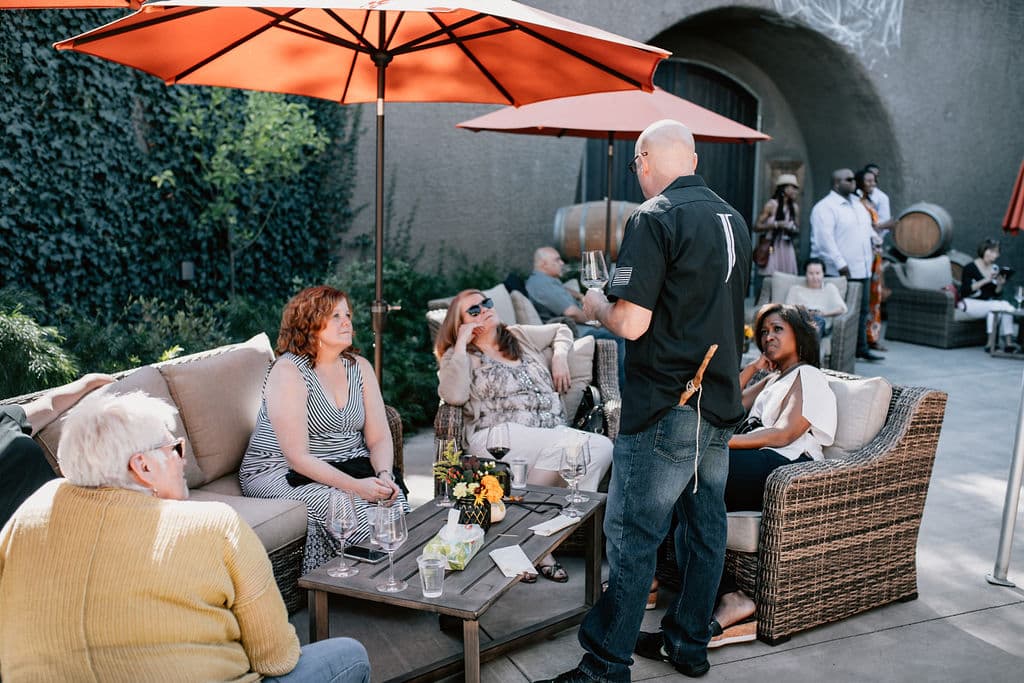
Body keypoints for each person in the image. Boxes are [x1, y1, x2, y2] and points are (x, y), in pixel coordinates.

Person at [536, 119, 751, 683]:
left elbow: (631, 322)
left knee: (633, 535)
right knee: (704, 531)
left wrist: (594, 304)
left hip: (665, 405)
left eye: (637, 164)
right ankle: (687, 643)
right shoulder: (733, 218)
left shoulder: (654, 216)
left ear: (645, 159)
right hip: (718, 401)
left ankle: (605, 666)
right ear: (694, 160)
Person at [0, 391, 370, 683]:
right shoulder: (214, 525)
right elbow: (276, 658)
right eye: (174, 449)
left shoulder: (26, 517)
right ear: (143, 466)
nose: (183, 460)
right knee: (348, 654)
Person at [436, 288, 613, 582]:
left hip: (549, 434)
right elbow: (453, 395)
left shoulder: (517, 335)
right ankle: (540, 541)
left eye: (486, 303)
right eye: (474, 310)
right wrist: (463, 342)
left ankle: (529, 536)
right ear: (460, 323)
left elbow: (562, 330)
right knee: (575, 448)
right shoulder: (461, 356)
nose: (484, 310)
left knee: (602, 447)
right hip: (497, 438)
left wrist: (559, 356)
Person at [239, 285, 407, 575]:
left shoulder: (360, 367)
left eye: (347, 315)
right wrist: (357, 487)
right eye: (335, 316)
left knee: (395, 507)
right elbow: (297, 458)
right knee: (348, 509)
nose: (347, 322)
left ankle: (401, 577)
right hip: (280, 470)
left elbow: (379, 437)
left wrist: (383, 476)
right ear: (309, 323)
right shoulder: (289, 371)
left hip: (347, 462)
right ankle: (368, 585)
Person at [708, 304, 837, 647]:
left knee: (694, 470)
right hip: (760, 460)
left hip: (787, 466)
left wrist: (719, 443)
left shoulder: (808, 375)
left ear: (799, 334)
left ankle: (729, 597)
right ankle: (723, 593)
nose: (768, 337)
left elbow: (784, 434)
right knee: (688, 482)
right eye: (764, 332)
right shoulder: (774, 379)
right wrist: (754, 367)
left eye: (778, 329)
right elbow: (727, 403)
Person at [0, 372, 114, 528]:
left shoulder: (3, 418)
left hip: (80, 517)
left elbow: (50, 405)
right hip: (28, 540)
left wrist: (90, 381)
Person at [809, 168, 884, 362]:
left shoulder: (857, 204)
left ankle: (861, 348)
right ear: (837, 183)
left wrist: (874, 239)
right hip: (841, 271)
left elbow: (866, 228)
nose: (854, 183)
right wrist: (841, 264)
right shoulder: (825, 207)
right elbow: (825, 240)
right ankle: (840, 351)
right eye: (849, 180)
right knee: (842, 312)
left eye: (853, 179)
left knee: (862, 311)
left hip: (863, 268)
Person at [526, 246, 627, 388]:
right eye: (557, 260)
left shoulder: (547, 281)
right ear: (544, 264)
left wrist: (579, 295)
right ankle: (622, 389)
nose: (562, 263)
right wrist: (599, 320)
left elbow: (561, 291)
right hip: (574, 332)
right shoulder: (542, 284)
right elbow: (571, 312)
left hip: (579, 328)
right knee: (619, 337)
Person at [960, 238, 1018, 352]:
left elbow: (995, 293)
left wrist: (1000, 284)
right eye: (991, 251)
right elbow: (965, 291)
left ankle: (1005, 344)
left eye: (996, 252)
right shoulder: (970, 267)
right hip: (969, 303)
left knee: (997, 307)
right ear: (983, 250)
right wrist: (986, 280)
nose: (993, 255)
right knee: (1000, 306)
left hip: (987, 304)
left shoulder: (995, 268)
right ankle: (996, 342)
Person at [855, 168, 890, 352]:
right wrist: (884, 225)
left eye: (874, 180)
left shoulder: (869, 201)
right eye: (868, 181)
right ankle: (863, 339)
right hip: (864, 255)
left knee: (875, 297)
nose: (872, 184)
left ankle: (872, 336)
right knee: (866, 298)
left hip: (875, 254)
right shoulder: (857, 202)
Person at [752, 173, 800, 296]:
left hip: (786, 246)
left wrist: (791, 228)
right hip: (772, 246)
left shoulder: (794, 207)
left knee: (787, 279)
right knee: (769, 280)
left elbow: (797, 228)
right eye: (793, 187)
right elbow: (756, 226)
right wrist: (777, 224)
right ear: (784, 188)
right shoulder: (771, 205)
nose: (795, 191)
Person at [784, 257, 848, 340]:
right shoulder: (795, 289)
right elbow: (787, 309)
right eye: (811, 273)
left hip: (820, 323)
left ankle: (807, 343)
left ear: (823, 274)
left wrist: (823, 314)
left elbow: (842, 309)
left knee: (817, 320)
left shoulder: (829, 288)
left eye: (818, 273)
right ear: (806, 274)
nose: (814, 277)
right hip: (799, 322)